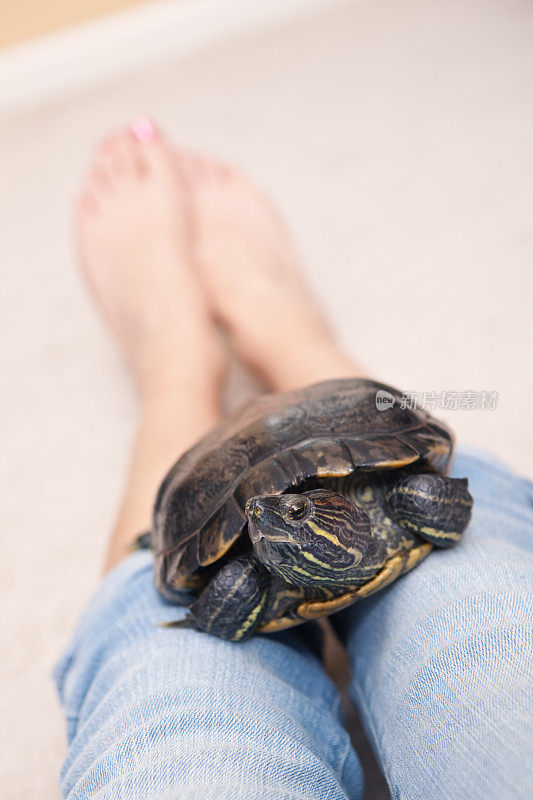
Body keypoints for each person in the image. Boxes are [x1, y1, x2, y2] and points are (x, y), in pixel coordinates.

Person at [54, 118, 533, 800]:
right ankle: (211, 352)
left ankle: (204, 359)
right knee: (486, 611)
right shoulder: (260, 561)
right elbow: (439, 504)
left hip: (356, 493)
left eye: (295, 511)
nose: (270, 517)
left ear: (334, 510)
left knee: (169, 681)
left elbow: (434, 498)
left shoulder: (376, 517)